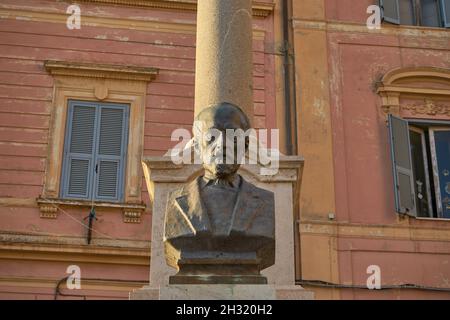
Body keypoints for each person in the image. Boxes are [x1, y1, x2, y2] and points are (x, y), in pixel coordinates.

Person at [163, 102, 275, 284]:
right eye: (211, 137)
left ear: (245, 147)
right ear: (198, 147)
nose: (222, 145)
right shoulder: (177, 202)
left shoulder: (265, 202)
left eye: (233, 137)